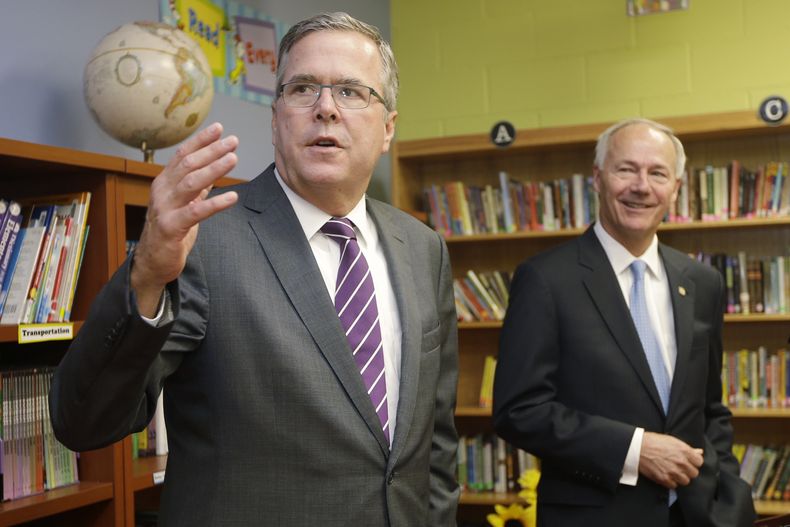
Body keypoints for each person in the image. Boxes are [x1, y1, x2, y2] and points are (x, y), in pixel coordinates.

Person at [50, 12, 459, 526]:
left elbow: (435, 445)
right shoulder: (204, 241)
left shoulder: (423, 248)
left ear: (388, 129)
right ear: (276, 117)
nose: (326, 108)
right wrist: (148, 275)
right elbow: (83, 421)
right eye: (303, 88)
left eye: (351, 91)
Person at [493, 118, 755, 527]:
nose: (642, 186)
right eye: (627, 169)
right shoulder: (545, 280)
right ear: (597, 178)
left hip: (696, 515)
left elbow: (710, 409)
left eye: (658, 173)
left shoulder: (702, 282)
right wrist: (635, 449)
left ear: (676, 188)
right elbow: (519, 411)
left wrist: (728, 496)